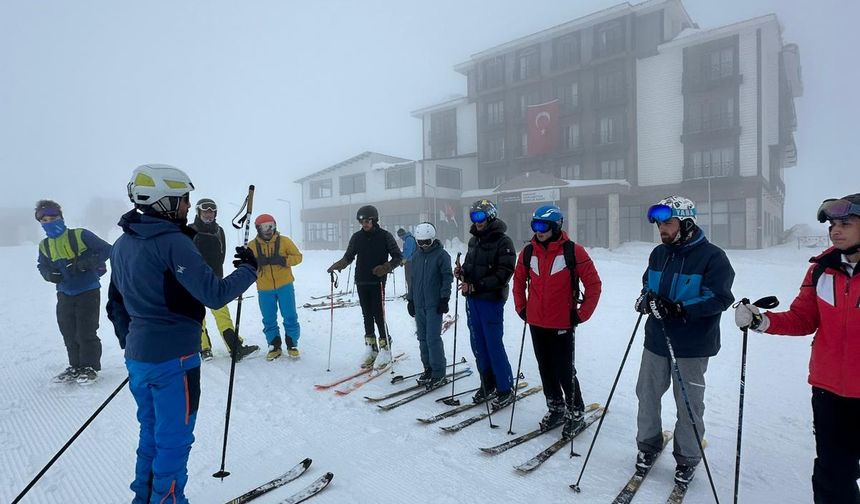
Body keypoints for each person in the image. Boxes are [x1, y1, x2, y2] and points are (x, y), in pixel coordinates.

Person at [106, 164, 258, 504]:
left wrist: (135, 346)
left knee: (151, 437)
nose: (188, 206)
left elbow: (115, 305)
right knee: (173, 442)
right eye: (183, 199)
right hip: (175, 360)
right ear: (165, 202)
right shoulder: (172, 242)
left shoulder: (122, 243)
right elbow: (215, 294)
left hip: (141, 359)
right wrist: (250, 269)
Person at [734, 194, 860, 504]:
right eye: (833, 224)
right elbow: (803, 318)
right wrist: (761, 321)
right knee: (832, 474)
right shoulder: (822, 270)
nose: (836, 230)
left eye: (846, 223)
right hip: (829, 389)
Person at [632, 195, 735, 486]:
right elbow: (647, 283)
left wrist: (679, 309)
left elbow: (720, 297)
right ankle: (647, 445)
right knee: (647, 394)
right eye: (659, 224)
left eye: (668, 222)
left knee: (688, 403)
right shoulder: (659, 254)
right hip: (655, 339)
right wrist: (645, 299)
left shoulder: (713, 257)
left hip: (691, 345)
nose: (661, 229)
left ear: (686, 223)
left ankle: (687, 457)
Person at [512, 205, 602, 438]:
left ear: (555, 226)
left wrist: (582, 314)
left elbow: (593, 285)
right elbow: (519, 282)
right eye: (535, 225)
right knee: (545, 367)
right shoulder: (528, 252)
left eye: (543, 226)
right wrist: (521, 307)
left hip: (562, 321)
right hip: (536, 322)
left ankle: (575, 411)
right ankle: (555, 407)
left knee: (564, 368)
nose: (538, 231)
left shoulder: (574, 252)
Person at [36, 199, 112, 385]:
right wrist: (49, 274)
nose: (49, 222)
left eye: (52, 217)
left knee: (86, 330)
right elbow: (42, 265)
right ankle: (75, 366)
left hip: (88, 290)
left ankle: (89, 367)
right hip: (64, 292)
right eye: (44, 219)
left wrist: (85, 264)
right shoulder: (44, 245)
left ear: (61, 217)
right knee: (68, 330)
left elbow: (107, 250)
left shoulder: (80, 235)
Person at [455, 199, 516, 408]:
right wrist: (462, 272)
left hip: (490, 301)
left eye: (480, 217)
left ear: (490, 216)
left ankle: (505, 387)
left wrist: (476, 286)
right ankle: (487, 382)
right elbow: (471, 266)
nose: (477, 221)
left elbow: (503, 274)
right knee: (477, 344)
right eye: (473, 217)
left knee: (493, 344)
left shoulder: (503, 242)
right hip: (472, 300)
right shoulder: (474, 241)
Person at [327, 205, 402, 369]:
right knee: (366, 314)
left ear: (374, 220)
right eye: (361, 221)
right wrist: (338, 265)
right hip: (361, 280)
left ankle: (385, 347)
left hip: (377, 281)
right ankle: (371, 348)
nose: (364, 224)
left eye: (367, 221)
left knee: (378, 314)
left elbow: (398, 257)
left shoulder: (385, 236)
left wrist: (386, 267)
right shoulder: (357, 237)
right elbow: (348, 256)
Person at [189, 197, 259, 361]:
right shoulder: (189, 230)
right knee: (198, 315)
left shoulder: (219, 231)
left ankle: (235, 347)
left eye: (212, 211)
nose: (209, 214)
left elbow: (222, 254)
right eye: (205, 211)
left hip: (215, 279)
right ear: (198, 212)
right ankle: (204, 348)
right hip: (194, 281)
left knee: (223, 315)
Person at [248, 213, 303, 361]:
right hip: (264, 288)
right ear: (258, 229)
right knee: (268, 318)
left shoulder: (284, 241)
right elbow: (246, 265)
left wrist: (284, 260)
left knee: (290, 315)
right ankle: (274, 345)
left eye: (271, 226)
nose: (268, 229)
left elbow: (298, 257)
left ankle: (292, 343)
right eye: (265, 227)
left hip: (285, 285)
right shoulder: (252, 246)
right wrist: (256, 263)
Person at [406, 222, 453, 389]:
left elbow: (447, 278)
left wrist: (444, 299)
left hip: (434, 305)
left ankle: (439, 373)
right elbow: (413, 279)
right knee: (422, 338)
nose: (424, 245)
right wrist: (410, 299)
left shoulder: (442, 255)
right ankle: (428, 369)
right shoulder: (417, 256)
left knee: (433, 339)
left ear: (433, 240)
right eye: (420, 242)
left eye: (427, 242)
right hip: (419, 304)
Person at [397, 227, 417, 296]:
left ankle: (411, 293)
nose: (400, 238)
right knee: (409, 278)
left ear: (401, 235)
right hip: (410, 261)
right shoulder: (408, 239)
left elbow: (408, 252)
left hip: (411, 262)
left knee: (409, 278)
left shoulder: (409, 239)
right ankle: (410, 292)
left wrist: (402, 259)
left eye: (400, 236)